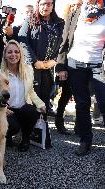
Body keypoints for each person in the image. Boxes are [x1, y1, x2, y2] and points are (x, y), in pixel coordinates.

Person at [56, 0, 105, 156]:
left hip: (97, 64)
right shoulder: (76, 12)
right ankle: (85, 141)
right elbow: (65, 41)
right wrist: (61, 66)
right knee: (82, 104)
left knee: (103, 102)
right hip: (75, 64)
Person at [18, 0, 65, 118]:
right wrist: (35, 61)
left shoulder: (59, 23)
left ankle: (42, 127)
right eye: (43, 4)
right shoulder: (30, 21)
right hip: (32, 66)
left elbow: (64, 43)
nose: (45, 7)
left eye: (49, 4)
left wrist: (54, 60)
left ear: (53, 6)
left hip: (49, 68)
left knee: (45, 97)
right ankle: (30, 127)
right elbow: (22, 41)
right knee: (32, 97)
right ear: (38, 5)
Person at [0, 40, 46, 152]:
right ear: (5, 55)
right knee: (13, 127)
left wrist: (40, 104)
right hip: (7, 110)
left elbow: (30, 91)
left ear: (20, 54)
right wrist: (3, 108)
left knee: (31, 111)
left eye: (16, 52)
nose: (13, 55)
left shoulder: (28, 70)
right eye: (9, 52)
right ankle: (7, 136)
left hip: (23, 109)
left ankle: (25, 139)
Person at [54, 0, 83, 135]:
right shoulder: (71, 16)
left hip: (87, 64)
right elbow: (64, 43)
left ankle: (79, 125)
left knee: (82, 97)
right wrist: (61, 67)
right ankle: (59, 121)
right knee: (66, 94)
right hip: (70, 63)